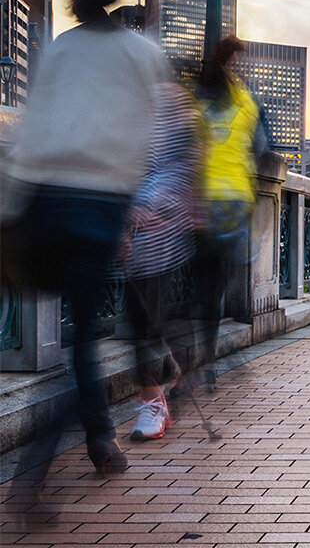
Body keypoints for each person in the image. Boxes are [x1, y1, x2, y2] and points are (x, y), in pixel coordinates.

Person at [2, 0, 169, 476]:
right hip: (101, 206)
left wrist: (12, 208)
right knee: (84, 340)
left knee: (75, 336)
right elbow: (149, 137)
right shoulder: (143, 53)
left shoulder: (61, 49)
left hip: (48, 199)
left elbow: (32, 130)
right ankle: (58, 454)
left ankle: (99, 435)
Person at [115, 79, 201, 441]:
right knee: (139, 323)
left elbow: (186, 173)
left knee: (160, 322)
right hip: (137, 245)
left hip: (170, 243)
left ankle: (168, 388)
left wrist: (151, 206)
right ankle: (153, 401)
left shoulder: (178, 118)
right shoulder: (132, 123)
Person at [192, 36, 269, 390]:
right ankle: (209, 358)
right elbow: (261, 149)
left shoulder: (194, 97)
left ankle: (200, 356)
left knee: (203, 285)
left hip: (199, 201)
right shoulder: (248, 103)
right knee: (219, 282)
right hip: (234, 202)